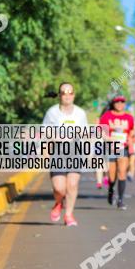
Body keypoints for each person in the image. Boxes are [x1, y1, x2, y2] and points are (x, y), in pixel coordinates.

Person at [42, 82, 88, 226]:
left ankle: (69, 215)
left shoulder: (80, 113)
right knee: (59, 188)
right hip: (58, 151)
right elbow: (44, 133)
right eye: (64, 92)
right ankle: (58, 202)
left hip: (75, 150)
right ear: (59, 95)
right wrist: (45, 152)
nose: (67, 95)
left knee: (72, 185)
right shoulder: (52, 112)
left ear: (74, 95)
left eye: (70, 92)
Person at [99, 96, 135, 210]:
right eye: (117, 102)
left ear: (125, 104)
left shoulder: (128, 117)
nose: (120, 104)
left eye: (122, 102)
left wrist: (130, 137)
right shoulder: (107, 116)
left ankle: (120, 200)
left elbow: (132, 130)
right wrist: (108, 138)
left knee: (122, 172)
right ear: (113, 104)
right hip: (110, 147)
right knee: (112, 175)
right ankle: (110, 189)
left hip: (122, 147)